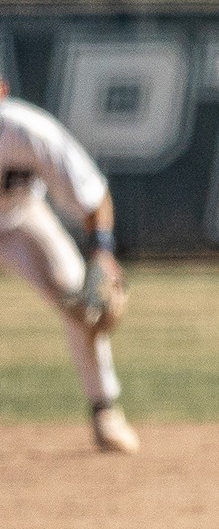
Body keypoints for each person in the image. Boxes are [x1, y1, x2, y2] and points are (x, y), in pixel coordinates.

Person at [0, 74, 138, 454]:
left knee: (84, 300)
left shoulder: (29, 132)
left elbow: (93, 198)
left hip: (19, 220)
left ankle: (104, 410)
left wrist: (103, 254)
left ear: (2, 92)